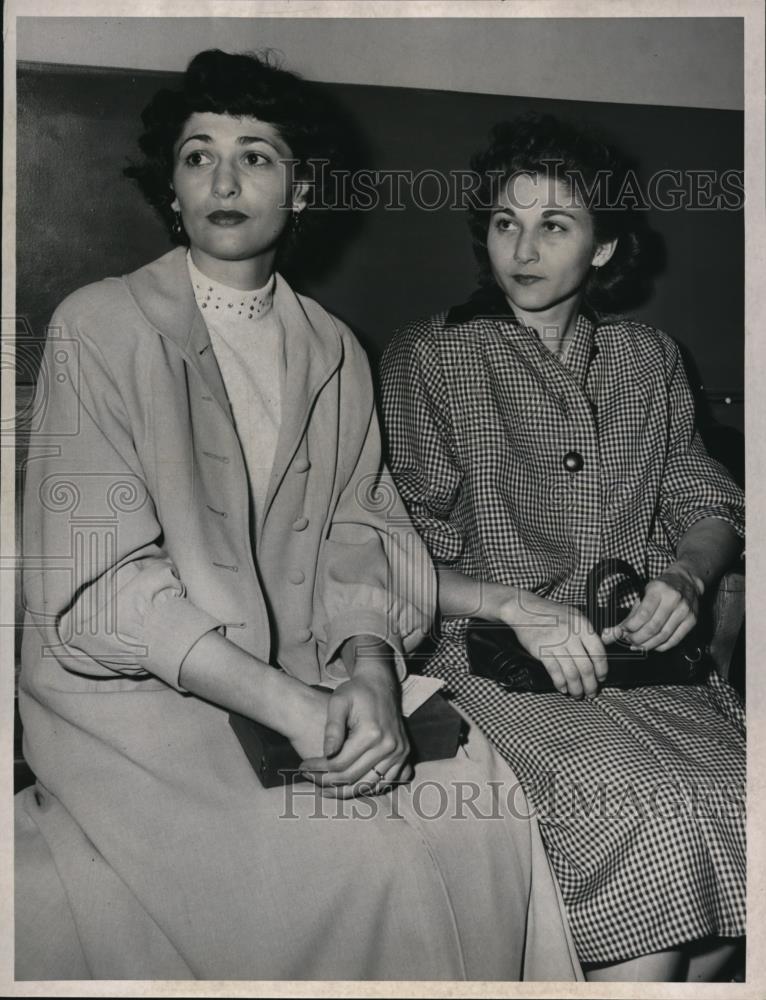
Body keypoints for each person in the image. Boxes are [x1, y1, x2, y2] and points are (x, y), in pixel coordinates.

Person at [15, 53, 582, 982]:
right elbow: (102, 591)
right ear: (171, 186)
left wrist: (366, 669)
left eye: (257, 157)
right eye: (199, 157)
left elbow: (364, 537)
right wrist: (295, 707)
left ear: (304, 188)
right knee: (370, 864)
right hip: (138, 702)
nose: (225, 181)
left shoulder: (331, 347)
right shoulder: (101, 325)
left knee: (487, 810)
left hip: (308, 674)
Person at [379, 113, 746, 983]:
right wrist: (517, 607)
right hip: (489, 660)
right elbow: (395, 554)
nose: (524, 247)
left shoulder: (649, 360)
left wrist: (687, 579)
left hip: (645, 667)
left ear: (607, 248)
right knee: (644, 813)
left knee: (744, 804)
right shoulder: (431, 358)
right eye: (507, 223)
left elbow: (706, 502)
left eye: (555, 225)